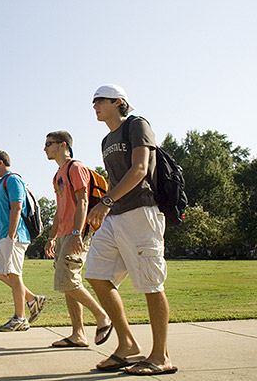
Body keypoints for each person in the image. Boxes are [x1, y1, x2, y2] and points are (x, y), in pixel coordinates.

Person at [85, 84, 177, 375]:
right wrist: (102, 209)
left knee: (151, 283)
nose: (95, 105)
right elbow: (113, 179)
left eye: (100, 100)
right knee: (96, 274)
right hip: (115, 217)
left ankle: (160, 356)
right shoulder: (106, 140)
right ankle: (127, 344)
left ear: (118, 102)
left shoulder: (137, 125)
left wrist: (106, 202)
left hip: (141, 212)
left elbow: (139, 169)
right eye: (93, 102)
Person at [43, 131, 112, 348]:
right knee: (68, 283)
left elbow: (83, 201)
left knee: (67, 278)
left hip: (77, 233)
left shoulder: (76, 168)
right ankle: (78, 334)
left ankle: (103, 317)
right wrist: (52, 237)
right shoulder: (57, 175)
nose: (44, 148)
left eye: (48, 144)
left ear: (63, 145)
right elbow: (59, 210)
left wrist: (76, 232)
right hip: (64, 233)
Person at [0, 150, 46, 332]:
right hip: (5, 235)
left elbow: (17, 207)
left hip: (15, 235)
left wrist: (12, 234)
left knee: (14, 275)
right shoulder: (2, 182)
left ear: (0, 163)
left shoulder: (13, 180)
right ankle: (32, 299)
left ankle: (20, 318)